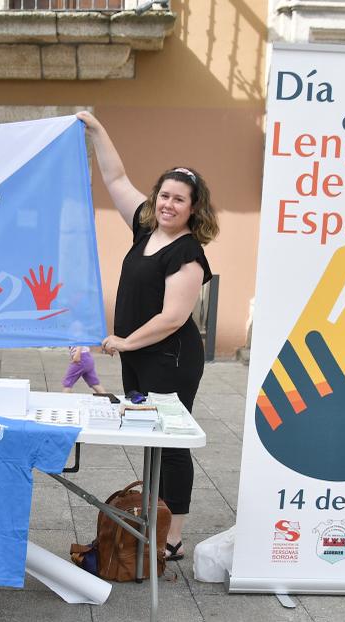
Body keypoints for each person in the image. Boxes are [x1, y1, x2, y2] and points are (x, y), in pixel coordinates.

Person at [77, 111, 217, 562]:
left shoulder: (188, 253)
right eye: (164, 195)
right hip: (139, 356)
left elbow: (174, 317)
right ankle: (155, 521)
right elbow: (115, 177)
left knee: (170, 443)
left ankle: (173, 538)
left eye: (180, 200)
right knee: (151, 438)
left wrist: (123, 342)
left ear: (193, 209)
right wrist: (96, 127)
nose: (168, 204)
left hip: (169, 357)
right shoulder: (144, 228)